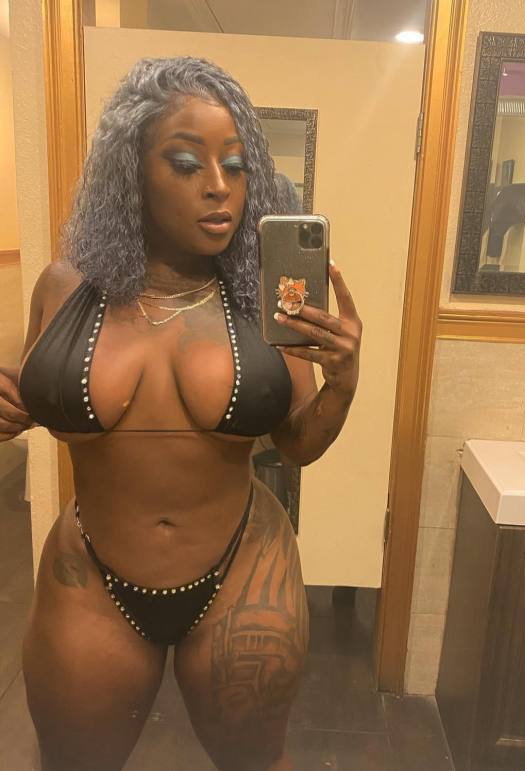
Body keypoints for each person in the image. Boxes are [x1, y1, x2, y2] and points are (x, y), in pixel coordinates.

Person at [0, 56, 361, 771]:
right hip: (92, 576)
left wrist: (343, 383)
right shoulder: (64, 288)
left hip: (242, 572)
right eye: (188, 163)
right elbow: (34, 390)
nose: (220, 186)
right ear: (132, 174)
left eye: (237, 165)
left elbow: (298, 444)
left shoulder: (266, 297)